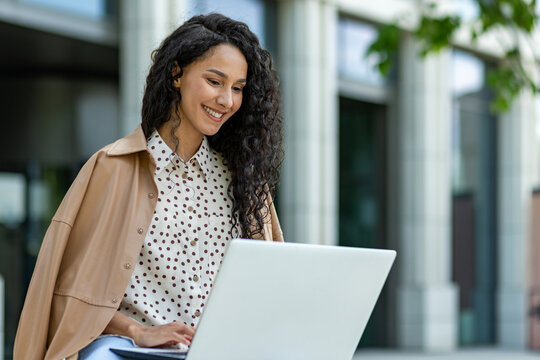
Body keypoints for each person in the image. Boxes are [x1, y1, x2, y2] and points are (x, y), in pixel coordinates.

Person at [14, 13, 284, 360]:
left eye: (237, 88)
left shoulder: (246, 184)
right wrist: (138, 331)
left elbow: (272, 290)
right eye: (215, 81)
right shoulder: (112, 168)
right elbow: (73, 297)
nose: (227, 100)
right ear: (177, 75)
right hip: (129, 352)